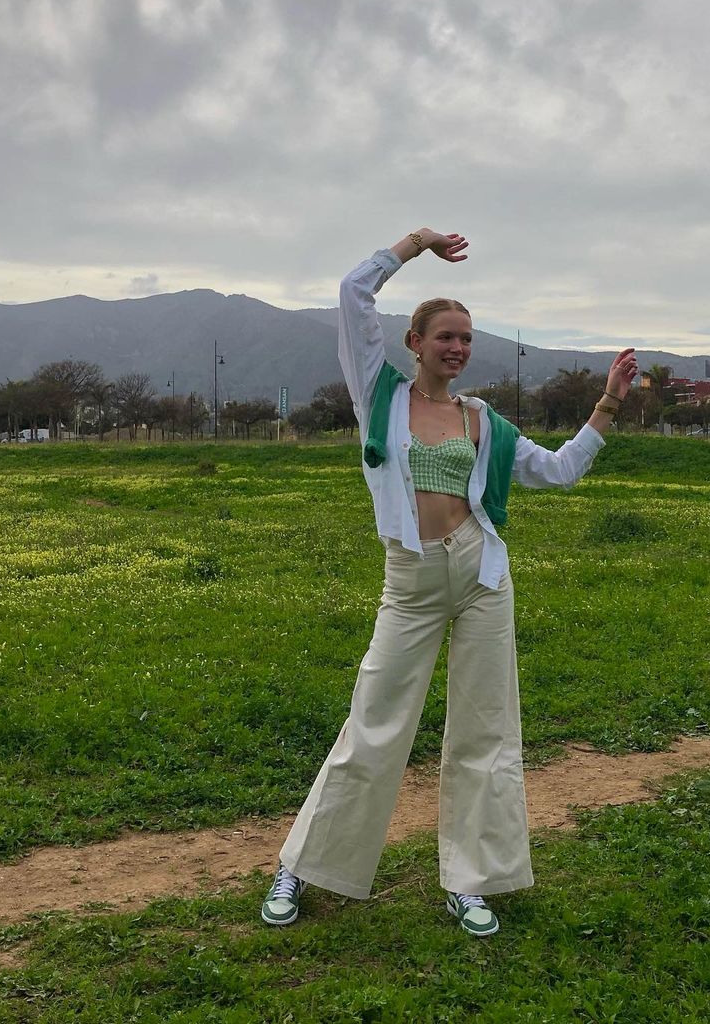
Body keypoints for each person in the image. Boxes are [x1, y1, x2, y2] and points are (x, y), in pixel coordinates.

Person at [262, 228, 638, 937]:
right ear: (414, 342)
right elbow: (352, 292)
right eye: (445, 337)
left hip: (482, 575)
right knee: (373, 725)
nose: (457, 347)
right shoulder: (379, 394)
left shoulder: (482, 419)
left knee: (485, 733)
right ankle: (302, 867)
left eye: (466, 338)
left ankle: (473, 881)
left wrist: (607, 403)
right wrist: (416, 244)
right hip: (411, 579)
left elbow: (558, 470)